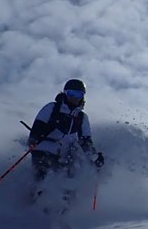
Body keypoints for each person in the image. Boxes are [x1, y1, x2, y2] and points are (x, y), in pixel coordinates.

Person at [28, 78, 105, 210]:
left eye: (79, 95)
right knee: (44, 174)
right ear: (65, 93)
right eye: (72, 94)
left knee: (70, 175)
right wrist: (53, 126)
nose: (75, 98)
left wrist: (94, 157)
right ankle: (35, 200)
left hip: (66, 152)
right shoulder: (52, 108)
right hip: (44, 147)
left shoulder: (82, 117)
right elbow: (35, 131)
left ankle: (64, 207)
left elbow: (85, 140)